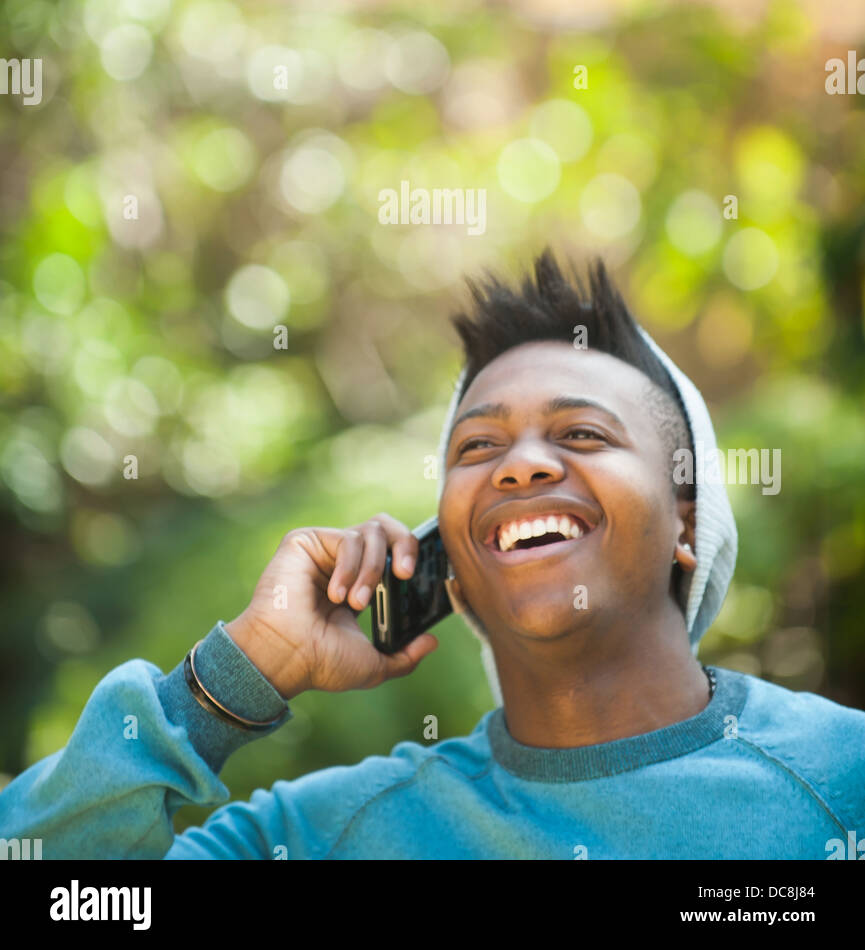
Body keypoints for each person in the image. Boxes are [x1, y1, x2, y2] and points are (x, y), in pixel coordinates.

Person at [1, 251, 863, 860]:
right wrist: (235, 681)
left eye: (581, 433)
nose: (521, 464)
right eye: (478, 448)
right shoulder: (322, 838)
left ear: (687, 521)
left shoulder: (842, 782)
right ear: (447, 557)